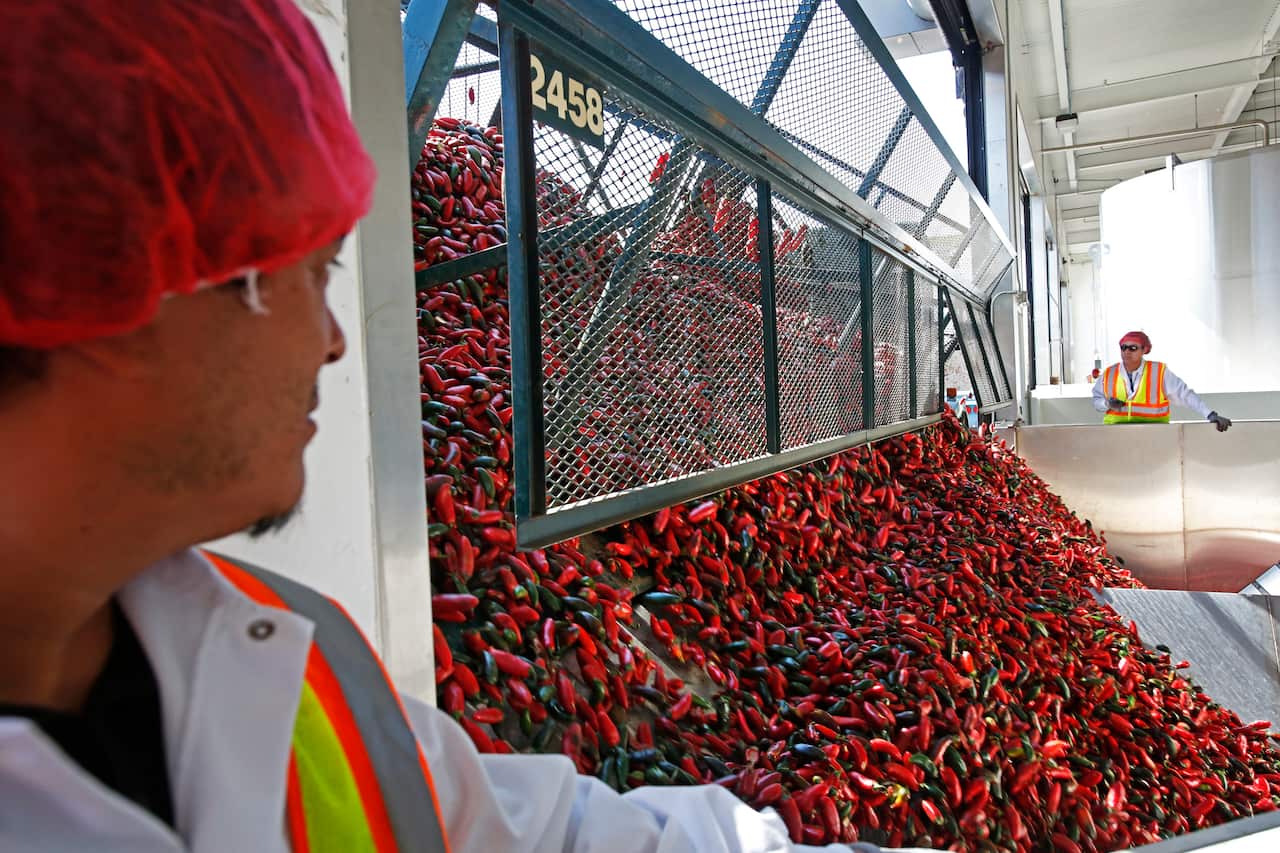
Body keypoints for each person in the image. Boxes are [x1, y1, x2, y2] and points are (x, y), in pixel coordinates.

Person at [0, 2, 938, 851]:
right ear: (122, 280)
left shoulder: (294, 665)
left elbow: (537, 832)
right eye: (313, 271)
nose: (335, 341)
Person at [1091, 331, 1232, 431]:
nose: (1126, 352)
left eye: (1132, 348)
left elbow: (1185, 395)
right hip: (1115, 435)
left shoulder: (1159, 372)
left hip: (1156, 435)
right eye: (1123, 347)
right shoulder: (1109, 373)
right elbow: (1097, 401)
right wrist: (1107, 403)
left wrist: (1210, 414)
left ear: (1144, 350)